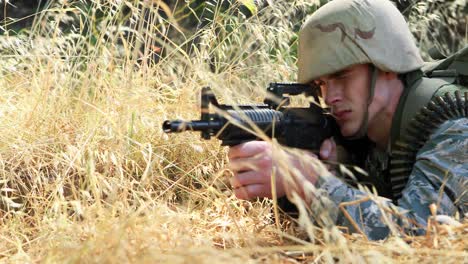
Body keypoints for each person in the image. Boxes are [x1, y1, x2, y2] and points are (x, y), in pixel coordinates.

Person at [228, 0, 467, 240]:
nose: (330, 97)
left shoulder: (452, 127)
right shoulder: (366, 135)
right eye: (321, 84)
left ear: (386, 65)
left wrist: (310, 182)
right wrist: (327, 178)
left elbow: (421, 235)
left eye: (342, 76)